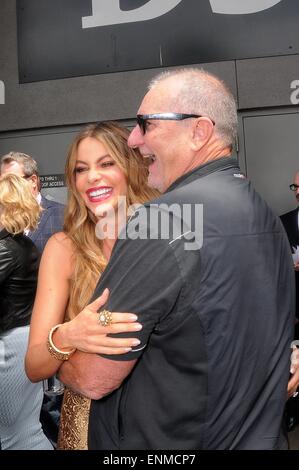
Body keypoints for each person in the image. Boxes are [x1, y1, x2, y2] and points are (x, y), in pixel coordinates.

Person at [56, 68, 294, 450]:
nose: (134, 140)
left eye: (146, 125)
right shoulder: (265, 215)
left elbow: (93, 377)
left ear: (199, 131)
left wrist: (59, 352)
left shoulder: (159, 221)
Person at [25, 121, 158, 449]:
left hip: (160, 416)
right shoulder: (63, 248)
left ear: (131, 168)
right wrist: (69, 335)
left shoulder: (167, 236)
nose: (92, 177)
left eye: (106, 163)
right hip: (87, 424)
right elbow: (34, 366)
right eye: (81, 169)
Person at [0, 174, 52, 450]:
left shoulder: (7, 248)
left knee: (14, 436)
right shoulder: (23, 245)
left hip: (10, 346)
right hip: (21, 340)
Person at [0, 151, 64, 253]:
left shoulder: (63, 215)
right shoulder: (3, 218)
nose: (5, 187)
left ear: (33, 181)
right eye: (2, 182)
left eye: (11, 181)